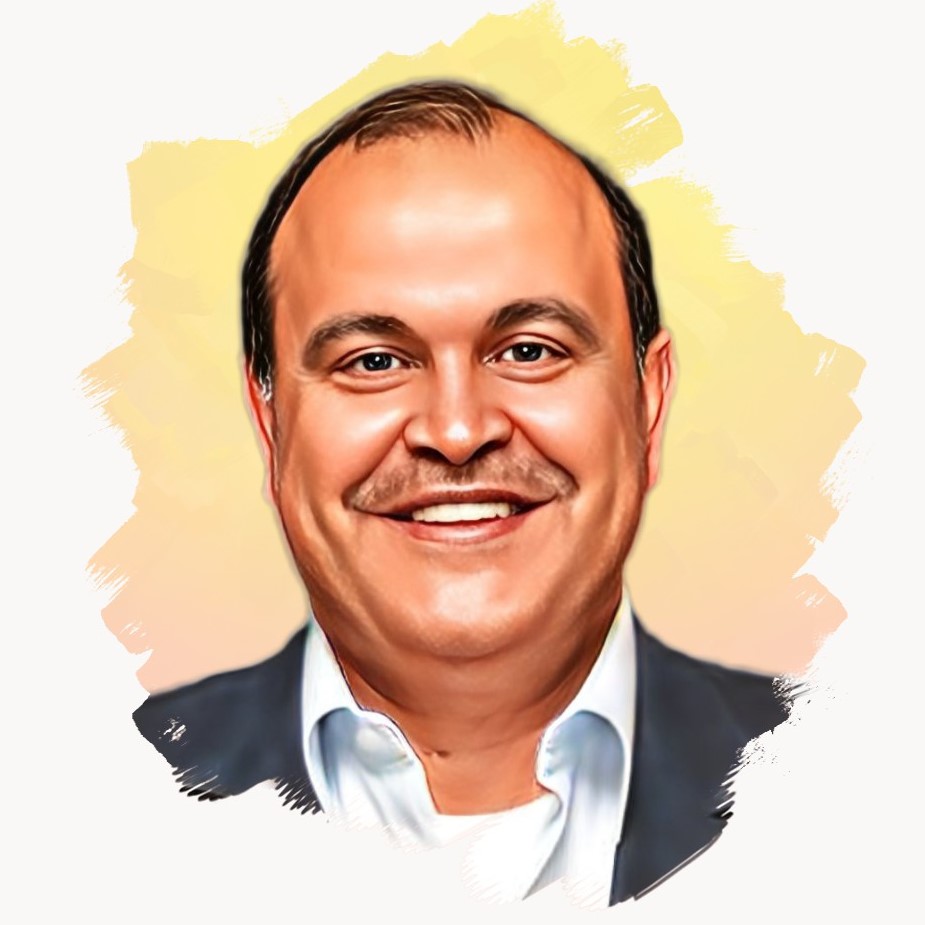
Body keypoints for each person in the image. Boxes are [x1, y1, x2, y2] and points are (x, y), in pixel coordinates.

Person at [134, 81, 788, 906]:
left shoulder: (845, 779)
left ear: (646, 403)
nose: (455, 429)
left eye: (528, 350)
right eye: (374, 361)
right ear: (269, 424)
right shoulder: (102, 795)